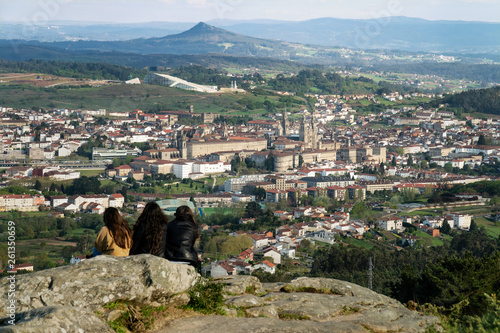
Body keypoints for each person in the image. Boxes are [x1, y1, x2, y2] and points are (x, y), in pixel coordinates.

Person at [165, 205, 200, 271]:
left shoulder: (169, 225)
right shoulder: (194, 227)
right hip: (188, 258)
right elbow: (192, 243)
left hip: (171, 258)